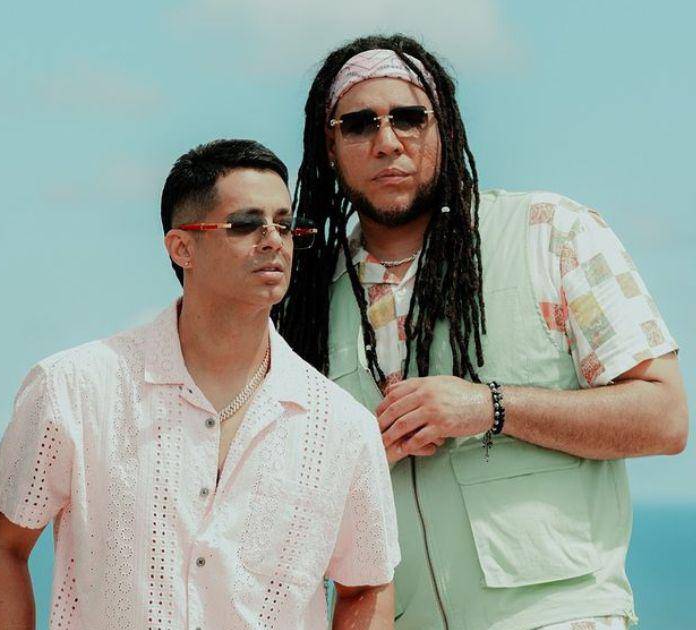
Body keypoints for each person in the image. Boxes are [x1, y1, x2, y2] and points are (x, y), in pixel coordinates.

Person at [275, 34, 689, 629]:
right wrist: (361, 453)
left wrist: (488, 407)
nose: (387, 141)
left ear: (444, 127)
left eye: (410, 117)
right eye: (359, 124)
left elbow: (665, 417)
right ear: (330, 147)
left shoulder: (551, 233)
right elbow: (272, 494)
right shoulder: (301, 301)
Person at [0, 139, 400, 629]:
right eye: (246, 224)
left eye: (284, 224)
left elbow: (367, 585)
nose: (273, 240)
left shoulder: (343, 426)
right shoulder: (74, 389)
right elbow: (2, 546)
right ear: (182, 248)